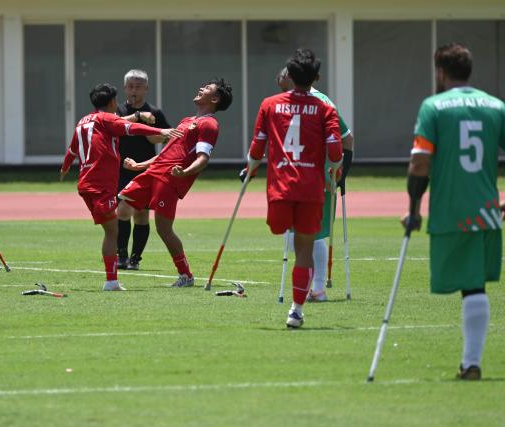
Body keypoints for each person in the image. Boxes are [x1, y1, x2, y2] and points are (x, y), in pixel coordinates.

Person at [402, 43, 505, 380]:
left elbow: (420, 162)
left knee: (468, 286)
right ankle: (471, 362)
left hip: (450, 212)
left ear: (441, 72)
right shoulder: (496, 107)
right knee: (475, 286)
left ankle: (471, 364)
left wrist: (414, 210)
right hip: (487, 212)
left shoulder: (434, 107)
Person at [246, 49, 342, 328]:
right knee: (304, 247)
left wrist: (251, 166)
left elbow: (257, 146)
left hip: (280, 187)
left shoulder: (269, 104)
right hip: (311, 188)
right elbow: (335, 150)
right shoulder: (326, 108)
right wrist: (335, 168)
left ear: (288, 74)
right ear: (317, 77)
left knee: (283, 233)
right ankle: (299, 306)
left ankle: (297, 309)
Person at [60, 83, 182, 291]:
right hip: (100, 183)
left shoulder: (83, 122)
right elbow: (131, 128)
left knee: (112, 227)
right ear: (112, 102)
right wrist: (161, 130)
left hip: (85, 183)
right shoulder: (107, 118)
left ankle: (116, 273)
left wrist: (64, 169)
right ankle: (111, 281)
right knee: (111, 231)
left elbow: (72, 150)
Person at [117, 79, 233, 288]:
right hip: (153, 172)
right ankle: (119, 262)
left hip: (170, 179)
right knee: (122, 207)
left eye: (206, 88)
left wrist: (184, 172)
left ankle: (185, 275)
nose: (200, 88)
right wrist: (138, 166)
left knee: (164, 228)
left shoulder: (209, 124)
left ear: (214, 99)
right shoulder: (186, 120)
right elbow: (167, 153)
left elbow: (203, 158)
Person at [275, 67, 355, 302]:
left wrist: (341, 173)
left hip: (318, 176)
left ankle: (318, 288)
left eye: (284, 72)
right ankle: (310, 283)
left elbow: (347, 137)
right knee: (292, 236)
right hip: (291, 176)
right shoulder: (283, 102)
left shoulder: (321, 101)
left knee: (314, 232)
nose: (279, 76)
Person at [116, 70, 171, 271]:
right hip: (122, 169)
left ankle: (135, 259)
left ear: (146, 89)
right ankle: (121, 255)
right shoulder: (119, 111)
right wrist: (138, 117)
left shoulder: (155, 113)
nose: (134, 90)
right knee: (122, 211)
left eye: (138, 86)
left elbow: (167, 136)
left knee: (141, 214)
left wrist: (154, 134)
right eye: (130, 86)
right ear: (124, 88)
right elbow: (115, 126)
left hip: (146, 170)